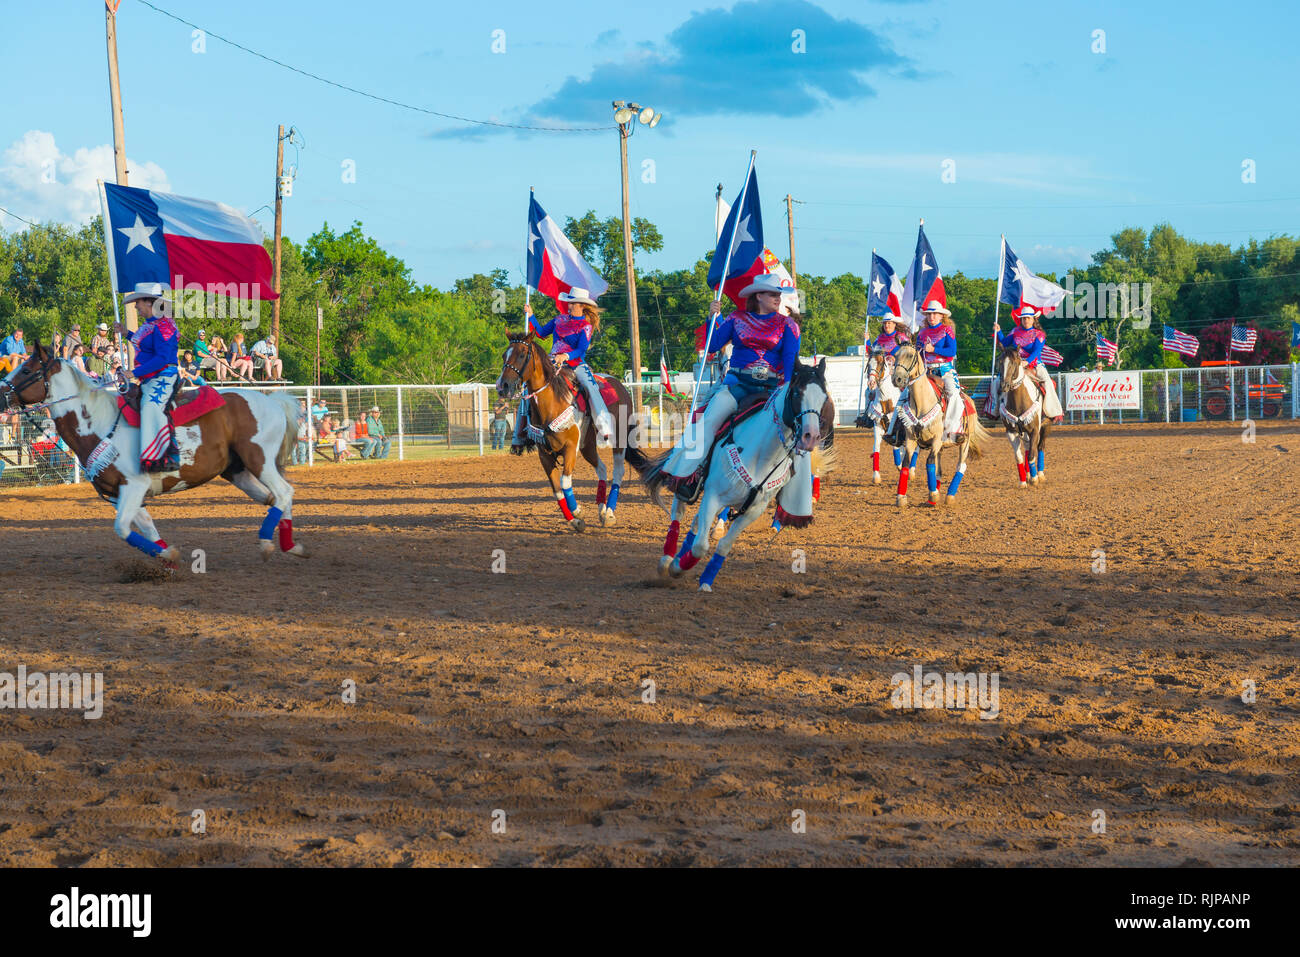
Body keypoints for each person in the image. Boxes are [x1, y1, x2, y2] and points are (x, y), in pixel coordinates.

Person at [662, 273, 801, 479]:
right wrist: (712, 318)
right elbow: (713, 345)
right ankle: (688, 474)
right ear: (758, 296)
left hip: (772, 389)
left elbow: (790, 359)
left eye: (779, 294)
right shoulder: (737, 318)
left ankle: (796, 488)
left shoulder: (788, 325)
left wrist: (787, 388)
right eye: (772, 293)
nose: (778, 297)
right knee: (709, 421)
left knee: (798, 429)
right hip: (737, 385)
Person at [515, 287, 614, 449]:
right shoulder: (558, 320)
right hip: (551, 362)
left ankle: (604, 427)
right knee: (529, 387)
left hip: (575, 364)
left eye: (573, 303)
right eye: (569, 302)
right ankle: (521, 433)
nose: (569, 305)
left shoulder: (585, 326)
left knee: (591, 386)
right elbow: (540, 333)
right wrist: (531, 315)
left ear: (582, 305)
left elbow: (581, 350)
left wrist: (565, 356)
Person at [123, 282, 181, 472]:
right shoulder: (150, 324)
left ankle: (166, 456)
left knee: (150, 406)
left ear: (149, 302)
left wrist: (134, 372)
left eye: (138, 302)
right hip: (150, 377)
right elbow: (145, 345)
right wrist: (126, 334)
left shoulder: (164, 325)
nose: (136, 306)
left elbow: (162, 358)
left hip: (164, 375)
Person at [991, 305, 1065, 422]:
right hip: (1016, 364)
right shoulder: (1015, 331)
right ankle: (994, 409)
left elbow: (1037, 351)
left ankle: (1052, 411)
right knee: (997, 382)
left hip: (1035, 364)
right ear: (1021, 319)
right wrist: (999, 331)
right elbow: (1004, 343)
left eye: (1028, 318)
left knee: (1047, 382)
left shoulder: (1039, 334)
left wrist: (1027, 361)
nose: (1026, 320)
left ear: (1033, 319)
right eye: (1024, 318)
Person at [914, 299, 964, 437]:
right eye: (929, 314)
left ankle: (950, 428)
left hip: (944, 370)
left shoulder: (947, 330)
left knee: (953, 394)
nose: (932, 317)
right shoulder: (922, 333)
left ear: (942, 316)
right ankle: (897, 429)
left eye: (935, 314)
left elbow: (952, 351)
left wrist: (933, 349)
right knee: (906, 394)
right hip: (925, 371)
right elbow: (918, 353)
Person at [293, 399, 310, 465]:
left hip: (301, 437)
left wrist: (305, 436)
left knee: (303, 449)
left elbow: (304, 430)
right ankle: (295, 463)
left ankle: (302, 463)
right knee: (293, 450)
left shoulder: (304, 423)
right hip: (294, 437)